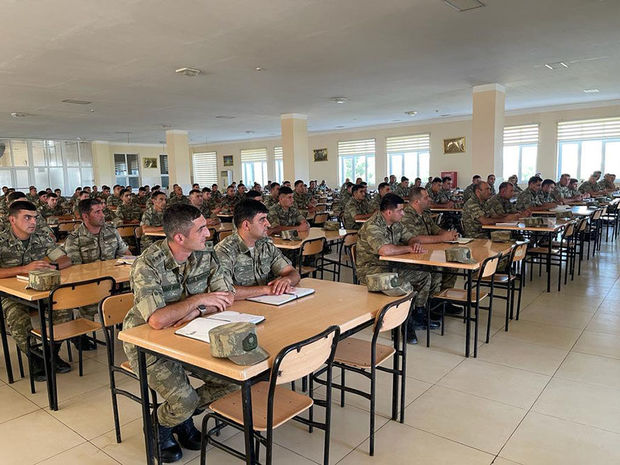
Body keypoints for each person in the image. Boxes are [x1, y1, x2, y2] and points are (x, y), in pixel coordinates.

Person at [122, 204, 236, 463]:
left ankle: (180, 417)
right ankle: (159, 425)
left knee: (231, 382)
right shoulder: (147, 264)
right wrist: (199, 299)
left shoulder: (206, 254)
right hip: (146, 343)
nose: (208, 233)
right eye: (201, 229)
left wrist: (197, 310)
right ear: (179, 238)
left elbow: (227, 296)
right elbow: (157, 320)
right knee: (184, 400)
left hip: (192, 332)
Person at [0, 201, 73, 381]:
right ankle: (35, 358)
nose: (33, 222)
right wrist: (23, 269)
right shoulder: (2, 240)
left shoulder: (41, 238)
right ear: (12, 220)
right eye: (27, 217)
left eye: (34, 217)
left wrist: (52, 266)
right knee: (17, 317)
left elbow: (65, 259)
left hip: (39, 290)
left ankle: (50, 354)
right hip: (9, 294)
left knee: (64, 308)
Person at [356, 193, 436, 344]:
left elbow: (410, 237)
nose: (403, 213)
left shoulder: (395, 223)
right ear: (388, 212)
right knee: (406, 286)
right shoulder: (373, 226)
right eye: (400, 210)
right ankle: (406, 324)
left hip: (390, 267)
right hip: (372, 271)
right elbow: (384, 250)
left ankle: (418, 315)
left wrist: (414, 243)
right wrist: (409, 249)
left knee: (424, 276)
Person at [64, 199, 131, 348]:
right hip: (90, 285)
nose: (103, 215)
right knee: (89, 302)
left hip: (116, 281)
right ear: (85, 216)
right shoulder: (74, 238)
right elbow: (75, 270)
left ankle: (129, 328)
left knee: (133, 295)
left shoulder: (111, 231)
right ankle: (80, 335)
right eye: (97, 212)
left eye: (102, 211)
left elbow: (125, 253)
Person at [215, 199, 300, 300]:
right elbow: (223, 292)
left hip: (268, 303)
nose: (268, 224)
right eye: (262, 220)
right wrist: (267, 290)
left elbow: (292, 272)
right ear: (246, 225)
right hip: (240, 307)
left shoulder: (265, 245)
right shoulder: (224, 251)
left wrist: (287, 280)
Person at [402, 188, 462, 315]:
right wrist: (443, 238)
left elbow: (436, 229)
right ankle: (431, 305)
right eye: (426, 197)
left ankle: (443, 300)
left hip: (429, 252)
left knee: (452, 266)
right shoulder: (406, 215)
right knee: (436, 269)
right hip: (414, 255)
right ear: (417, 201)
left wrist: (448, 235)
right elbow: (415, 239)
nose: (429, 199)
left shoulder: (424, 213)